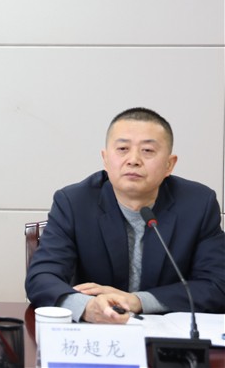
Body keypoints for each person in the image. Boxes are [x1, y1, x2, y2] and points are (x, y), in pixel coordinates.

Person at [25, 108, 225, 323]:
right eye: (122, 149)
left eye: (147, 150)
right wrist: (87, 307)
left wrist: (137, 301)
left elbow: (217, 285)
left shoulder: (198, 205)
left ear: (169, 164)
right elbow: (42, 277)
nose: (133, 160)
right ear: (105, 159)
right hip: (96, 331)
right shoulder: (74, 203)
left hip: (168, 335)